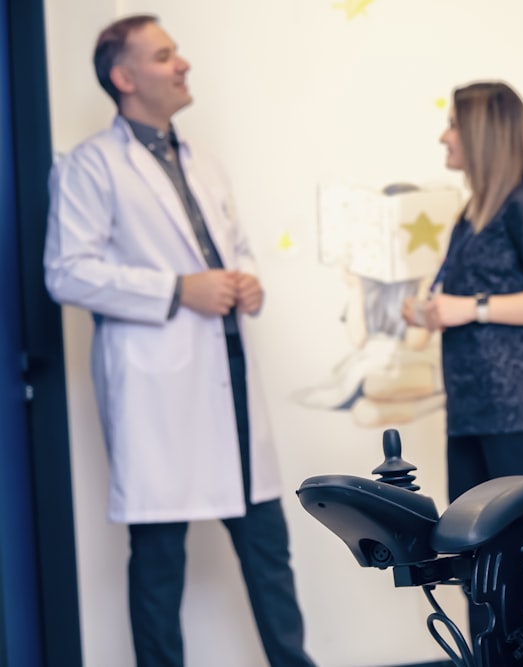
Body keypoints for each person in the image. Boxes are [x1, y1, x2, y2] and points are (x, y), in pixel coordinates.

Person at [43, 15, 315, 667]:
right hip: (159, 394)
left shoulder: (204, 163)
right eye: (165, 55)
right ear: (124, 77)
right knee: (159, 564)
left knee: (269, 554)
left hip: (230, 380)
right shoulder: (90, 167)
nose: (183, 64)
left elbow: (236, 247)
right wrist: (175, 289)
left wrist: (248, 282)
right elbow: (66, 271)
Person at [402, 81, 523, 502]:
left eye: (452, 126)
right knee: (471, 547)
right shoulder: (471, 216)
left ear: (482, 133)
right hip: (470, 409)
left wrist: (469, 307)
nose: (443, 137)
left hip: (515, 407)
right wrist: (433, 313)